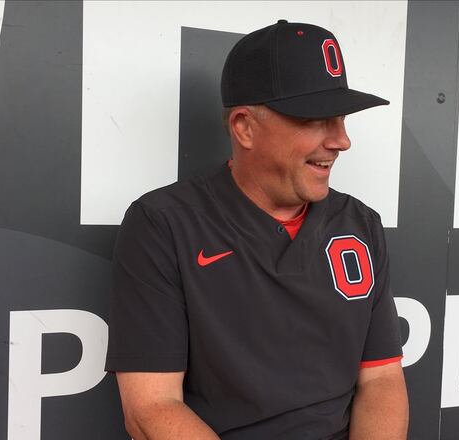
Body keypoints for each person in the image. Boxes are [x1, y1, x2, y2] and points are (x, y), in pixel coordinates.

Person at [105, 19, 408, 439]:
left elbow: (381, 380)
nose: (341, 140)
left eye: (341, 119)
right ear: (245, 127)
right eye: (316, 119)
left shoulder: (361, 225)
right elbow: (151, 408)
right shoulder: (163, 224)